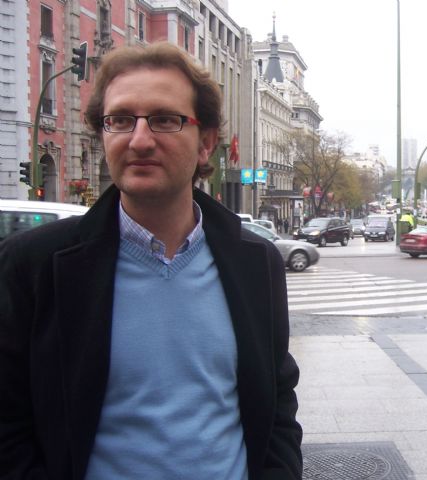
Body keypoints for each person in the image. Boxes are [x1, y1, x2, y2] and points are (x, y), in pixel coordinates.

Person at [0, 42, 302, 479]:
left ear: (206, 143)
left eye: (164, 119)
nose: (139, 140)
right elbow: (8, 423)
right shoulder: (32, 264)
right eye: (121, 120)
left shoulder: (257, 263)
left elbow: (277, 397)